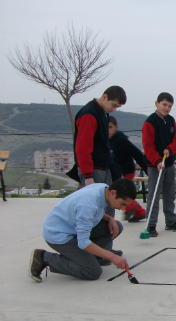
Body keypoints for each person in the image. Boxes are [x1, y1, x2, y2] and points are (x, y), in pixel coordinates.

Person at [28, 178, 136, 282]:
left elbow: (91, 211)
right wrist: (112, 256)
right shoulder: (88, 203)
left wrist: (109, 218)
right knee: (92, 271)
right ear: (113, 193)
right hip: (58, 234)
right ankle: (43, 257)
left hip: (72, 228)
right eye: (122, 204)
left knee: (116, 226)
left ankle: (92, 257)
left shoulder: (103, 189)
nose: (122, 209)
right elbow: (83, 242)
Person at [72, 86, 127, 219]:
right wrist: (88, 175)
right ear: (105, 97)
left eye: (116, 107)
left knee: (107, 209)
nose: (113, 109)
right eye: (113, 105)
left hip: (104, 167)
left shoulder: (103, 112)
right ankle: (92, 239)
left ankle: (106, 237)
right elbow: (82, 147)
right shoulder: (89, 114)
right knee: (94, 211)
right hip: (93, 170)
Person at [142, 92, 176, 237]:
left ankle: (170, 221)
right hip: (155, 165)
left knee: (169, 194)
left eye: (169, 106)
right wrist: (157, 161)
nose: (167, 108)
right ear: (157, 103)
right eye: (164, 105)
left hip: (169, 163)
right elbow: (148, 146)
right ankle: (150, 225)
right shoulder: (149, 123)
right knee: (154, 195)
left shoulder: (171, 121)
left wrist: (170, 149)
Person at [108, 116, 147, 222]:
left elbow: (136, 153)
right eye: (105, 127)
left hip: (127, 170)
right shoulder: (105, 140)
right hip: (117, 170)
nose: (108, 130)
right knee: (120, 193)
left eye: (110, 127)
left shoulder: (121, 140)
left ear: (116, 127)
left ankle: (134, 209)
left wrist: (146, 169)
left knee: (123, 193)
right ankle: (139, 212)